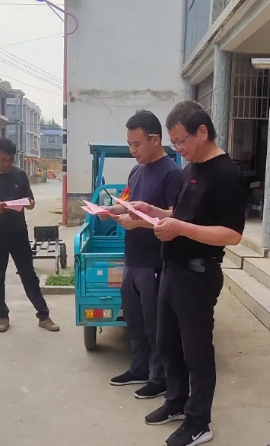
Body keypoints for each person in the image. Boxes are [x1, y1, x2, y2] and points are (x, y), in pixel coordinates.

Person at [131, 101, 247, 446]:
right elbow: (180, 213)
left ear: (202, 132)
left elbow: (232, 234)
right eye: (174, 142)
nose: (178, 148)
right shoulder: (190, 168)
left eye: (181, 141)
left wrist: (179, 228)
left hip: (198, 273)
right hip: (173, 269)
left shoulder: (226, 174)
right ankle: (177, 402)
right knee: (167, 342)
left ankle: (199, 423)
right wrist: (153, 212)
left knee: (197, 352)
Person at [100, 110, 182, 400]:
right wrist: (110, 210)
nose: (132, 150)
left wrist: (138, 224)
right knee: (134, 319)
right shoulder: (137, 171)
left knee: (155, 324)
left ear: (155, 139)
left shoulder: (172, 174)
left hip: (155, 261)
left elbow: (176, 217)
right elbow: (127, 203)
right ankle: (138, 368)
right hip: (132, 259)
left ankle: (159, 378)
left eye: (136, 144)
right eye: (129, 144)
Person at [0, 137, 59, 333]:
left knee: (29, 275)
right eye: (3, 160)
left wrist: (29, 203)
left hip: (18, 232)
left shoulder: (20, 175)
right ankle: (2, 316)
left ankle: (43, 316)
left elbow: (31, 201)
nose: (7, 164)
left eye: (10, 160)